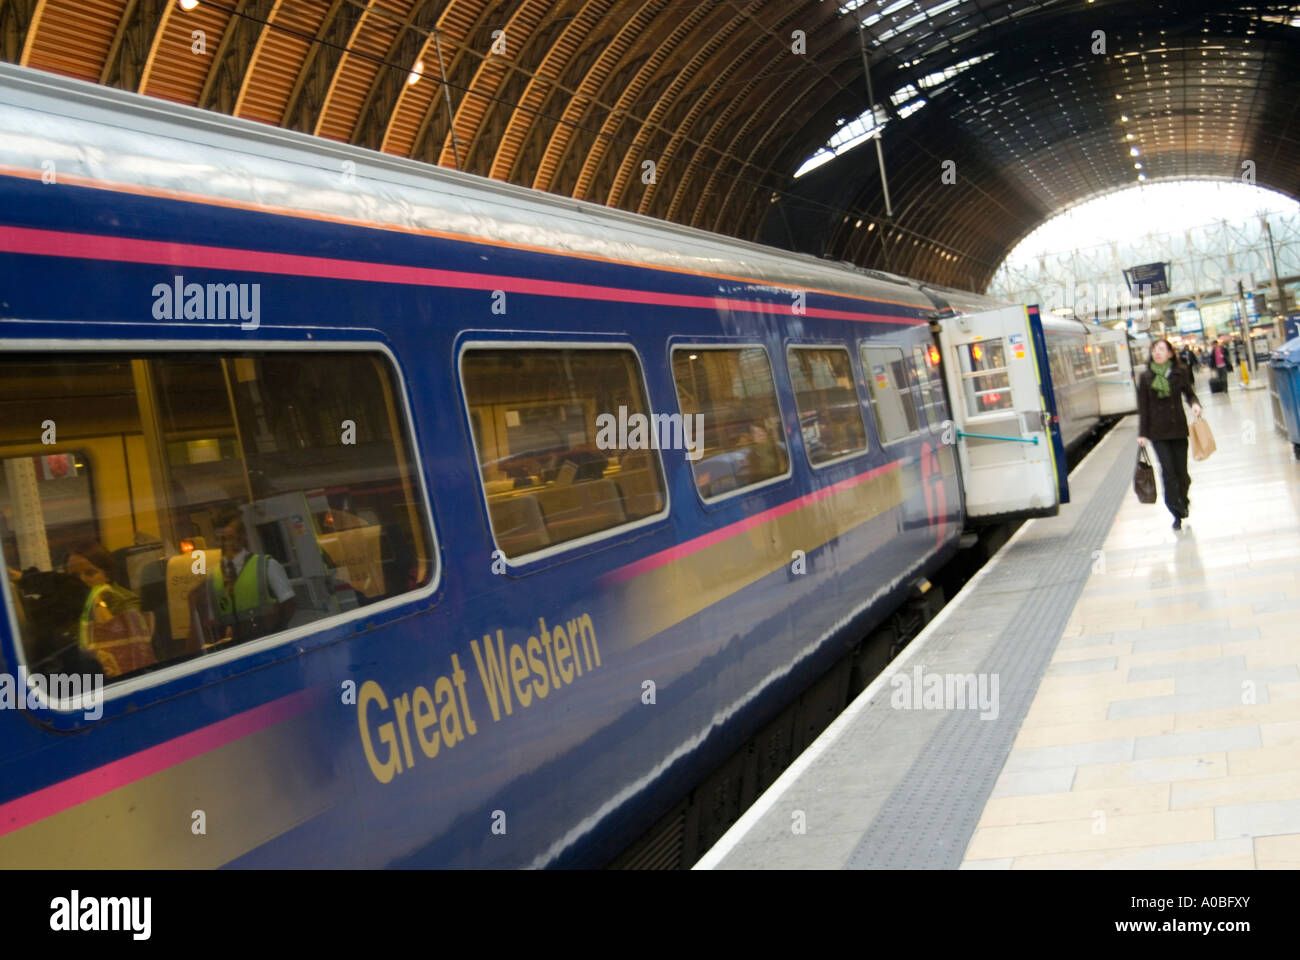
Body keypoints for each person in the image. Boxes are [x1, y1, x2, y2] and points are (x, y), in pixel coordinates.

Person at [1137, 339, 1202, 531]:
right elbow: (1144, 408)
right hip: (1158, 433)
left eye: (1161, 350)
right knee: (1168, 473)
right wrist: (1142, 434)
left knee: (1183, 474)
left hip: (1179, 430)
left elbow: (1189, 394)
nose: (1157, 353)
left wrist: (1195, 404)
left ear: (1170, 354)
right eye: (1154, 350)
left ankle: (1183, 497)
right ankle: (1176, 512)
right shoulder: (1146, 378)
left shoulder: (1179, 373)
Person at [207, 510, 296, 644]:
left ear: (243, 536)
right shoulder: (212, 577)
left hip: (269, 642)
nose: (226, 544)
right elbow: (214, 621)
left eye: (230, 537)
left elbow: (289, 605)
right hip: (234, 649)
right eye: (221, 539)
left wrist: (275, 633)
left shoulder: (267, 566)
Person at [67, 542, 141, 648]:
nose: (81, 580)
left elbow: (118, 645)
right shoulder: (69, 604)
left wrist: (96, 598)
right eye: (74, 576)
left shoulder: (127, 601)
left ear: (107, 575)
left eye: (90, 573)